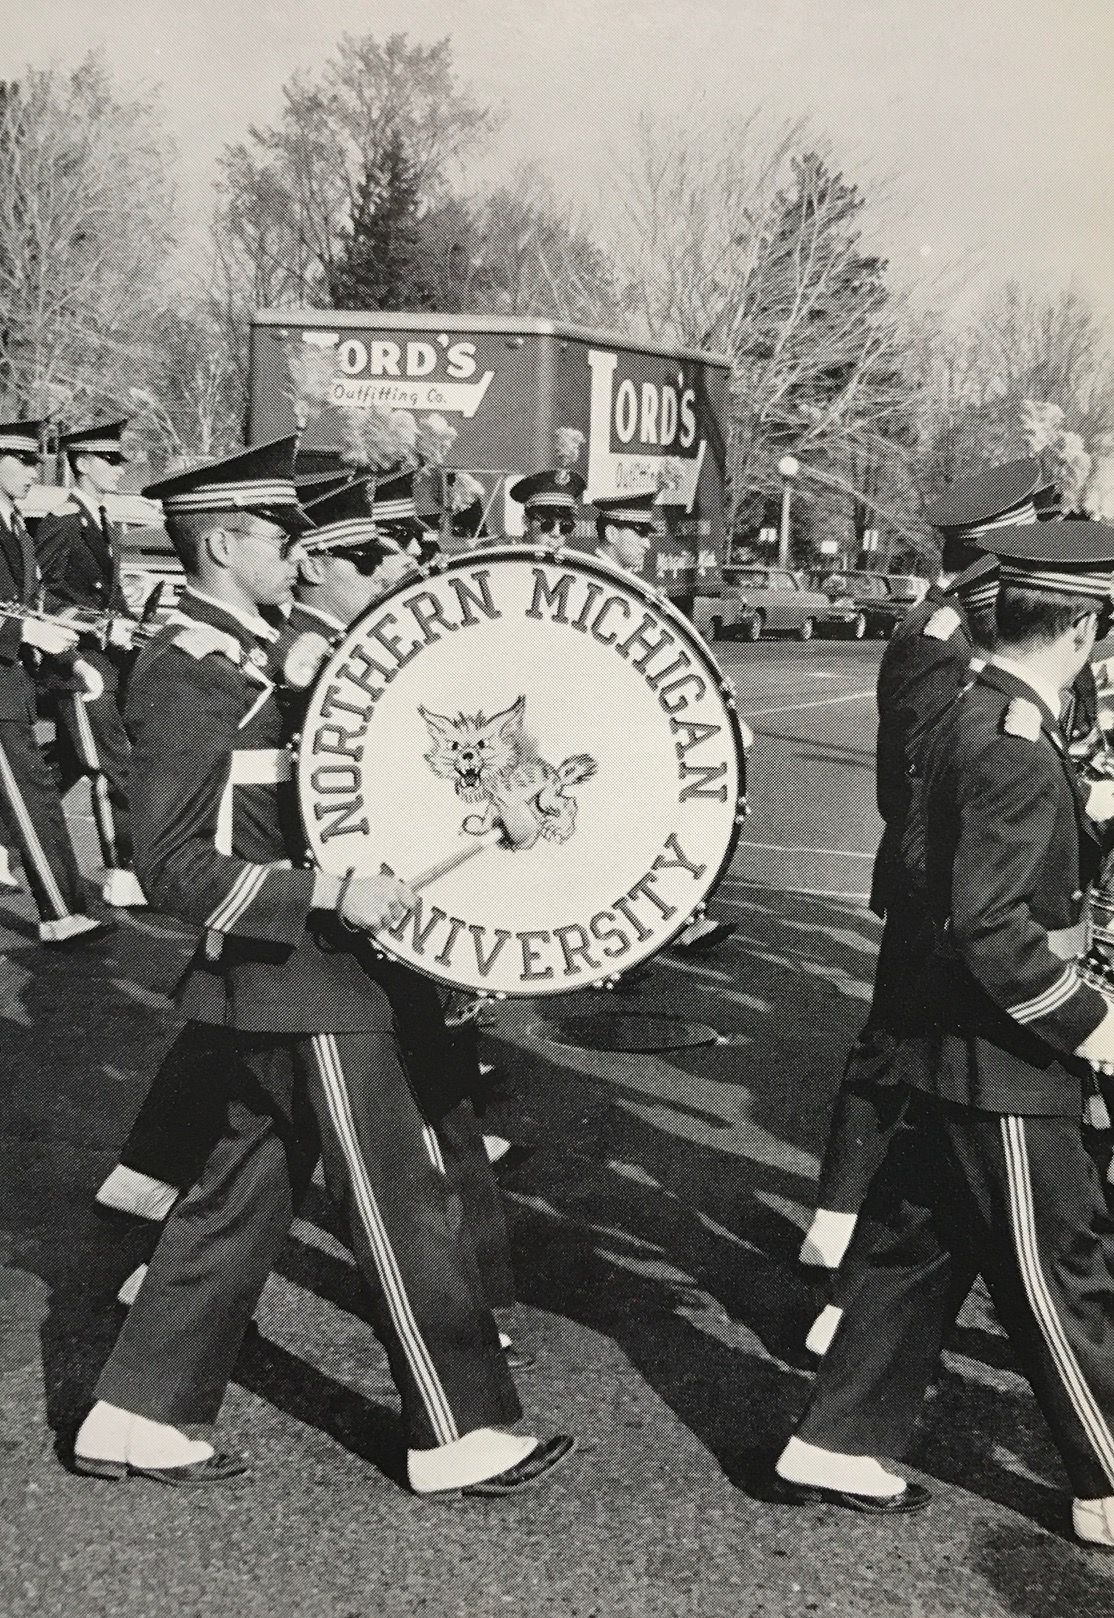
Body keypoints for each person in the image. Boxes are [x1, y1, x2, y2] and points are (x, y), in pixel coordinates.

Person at [74, 438, 573, 1496]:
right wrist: (329, 895)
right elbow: (168, 866)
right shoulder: (189, 669)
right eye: (278, 533)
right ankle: (459, 1430)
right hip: (299, 974)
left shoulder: (243, 653)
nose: (298, 550)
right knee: (396, 1196)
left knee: (239, 1196)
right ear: (222, 542)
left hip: (305, 972)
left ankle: (135, 1415)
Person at [775, 519, 1114, 1550]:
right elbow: (996, 926)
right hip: (1000, 1053)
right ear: (1085, 626)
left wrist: (1087, 814)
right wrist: (1092, 1029)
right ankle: (1106, 1474)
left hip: (949, 1035)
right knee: (1063, 1267)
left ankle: (834, 1439)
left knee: (913, 1251)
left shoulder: (988, 713)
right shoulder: (1011, 744)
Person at [799, 460, 1058, 1326]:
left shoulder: (999, 624)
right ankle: (840, 1240)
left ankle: (862, 1274)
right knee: (899, 1057)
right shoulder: (939, 635)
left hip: (984, 882)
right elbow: (915, 785)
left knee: (925, 1070)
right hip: (942, 887)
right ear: (995, 543)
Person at [592, 489, 739, 958]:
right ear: (611, 532)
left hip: (633, 732)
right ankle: (614, 946)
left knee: (657, 829)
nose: (645, 543)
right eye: (636, 533)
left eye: (646, 534)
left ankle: (678, 920)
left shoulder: (633, 585)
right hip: (597, 735)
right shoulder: (591, 581)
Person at [0, 418, 110, 946]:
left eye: (34, 461)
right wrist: (25, 630)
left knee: (33, 789)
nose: (31, 471)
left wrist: (70, 663)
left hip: (13, 683)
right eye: (20, 460)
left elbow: (33, 606)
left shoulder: (16, 525)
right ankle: (60, 912)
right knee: (33, 793)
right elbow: (18, 616)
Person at [37, 419, 144, 908]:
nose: (120, 470)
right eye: (111, 460)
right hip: (79, 661)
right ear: (81, 463)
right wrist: (98, 625)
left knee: (69, 762)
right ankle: (120, 870)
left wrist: (124, 612)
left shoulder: (99, 518)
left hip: (105, 657)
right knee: (109, 762)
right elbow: (40, 597)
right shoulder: (63, 517)